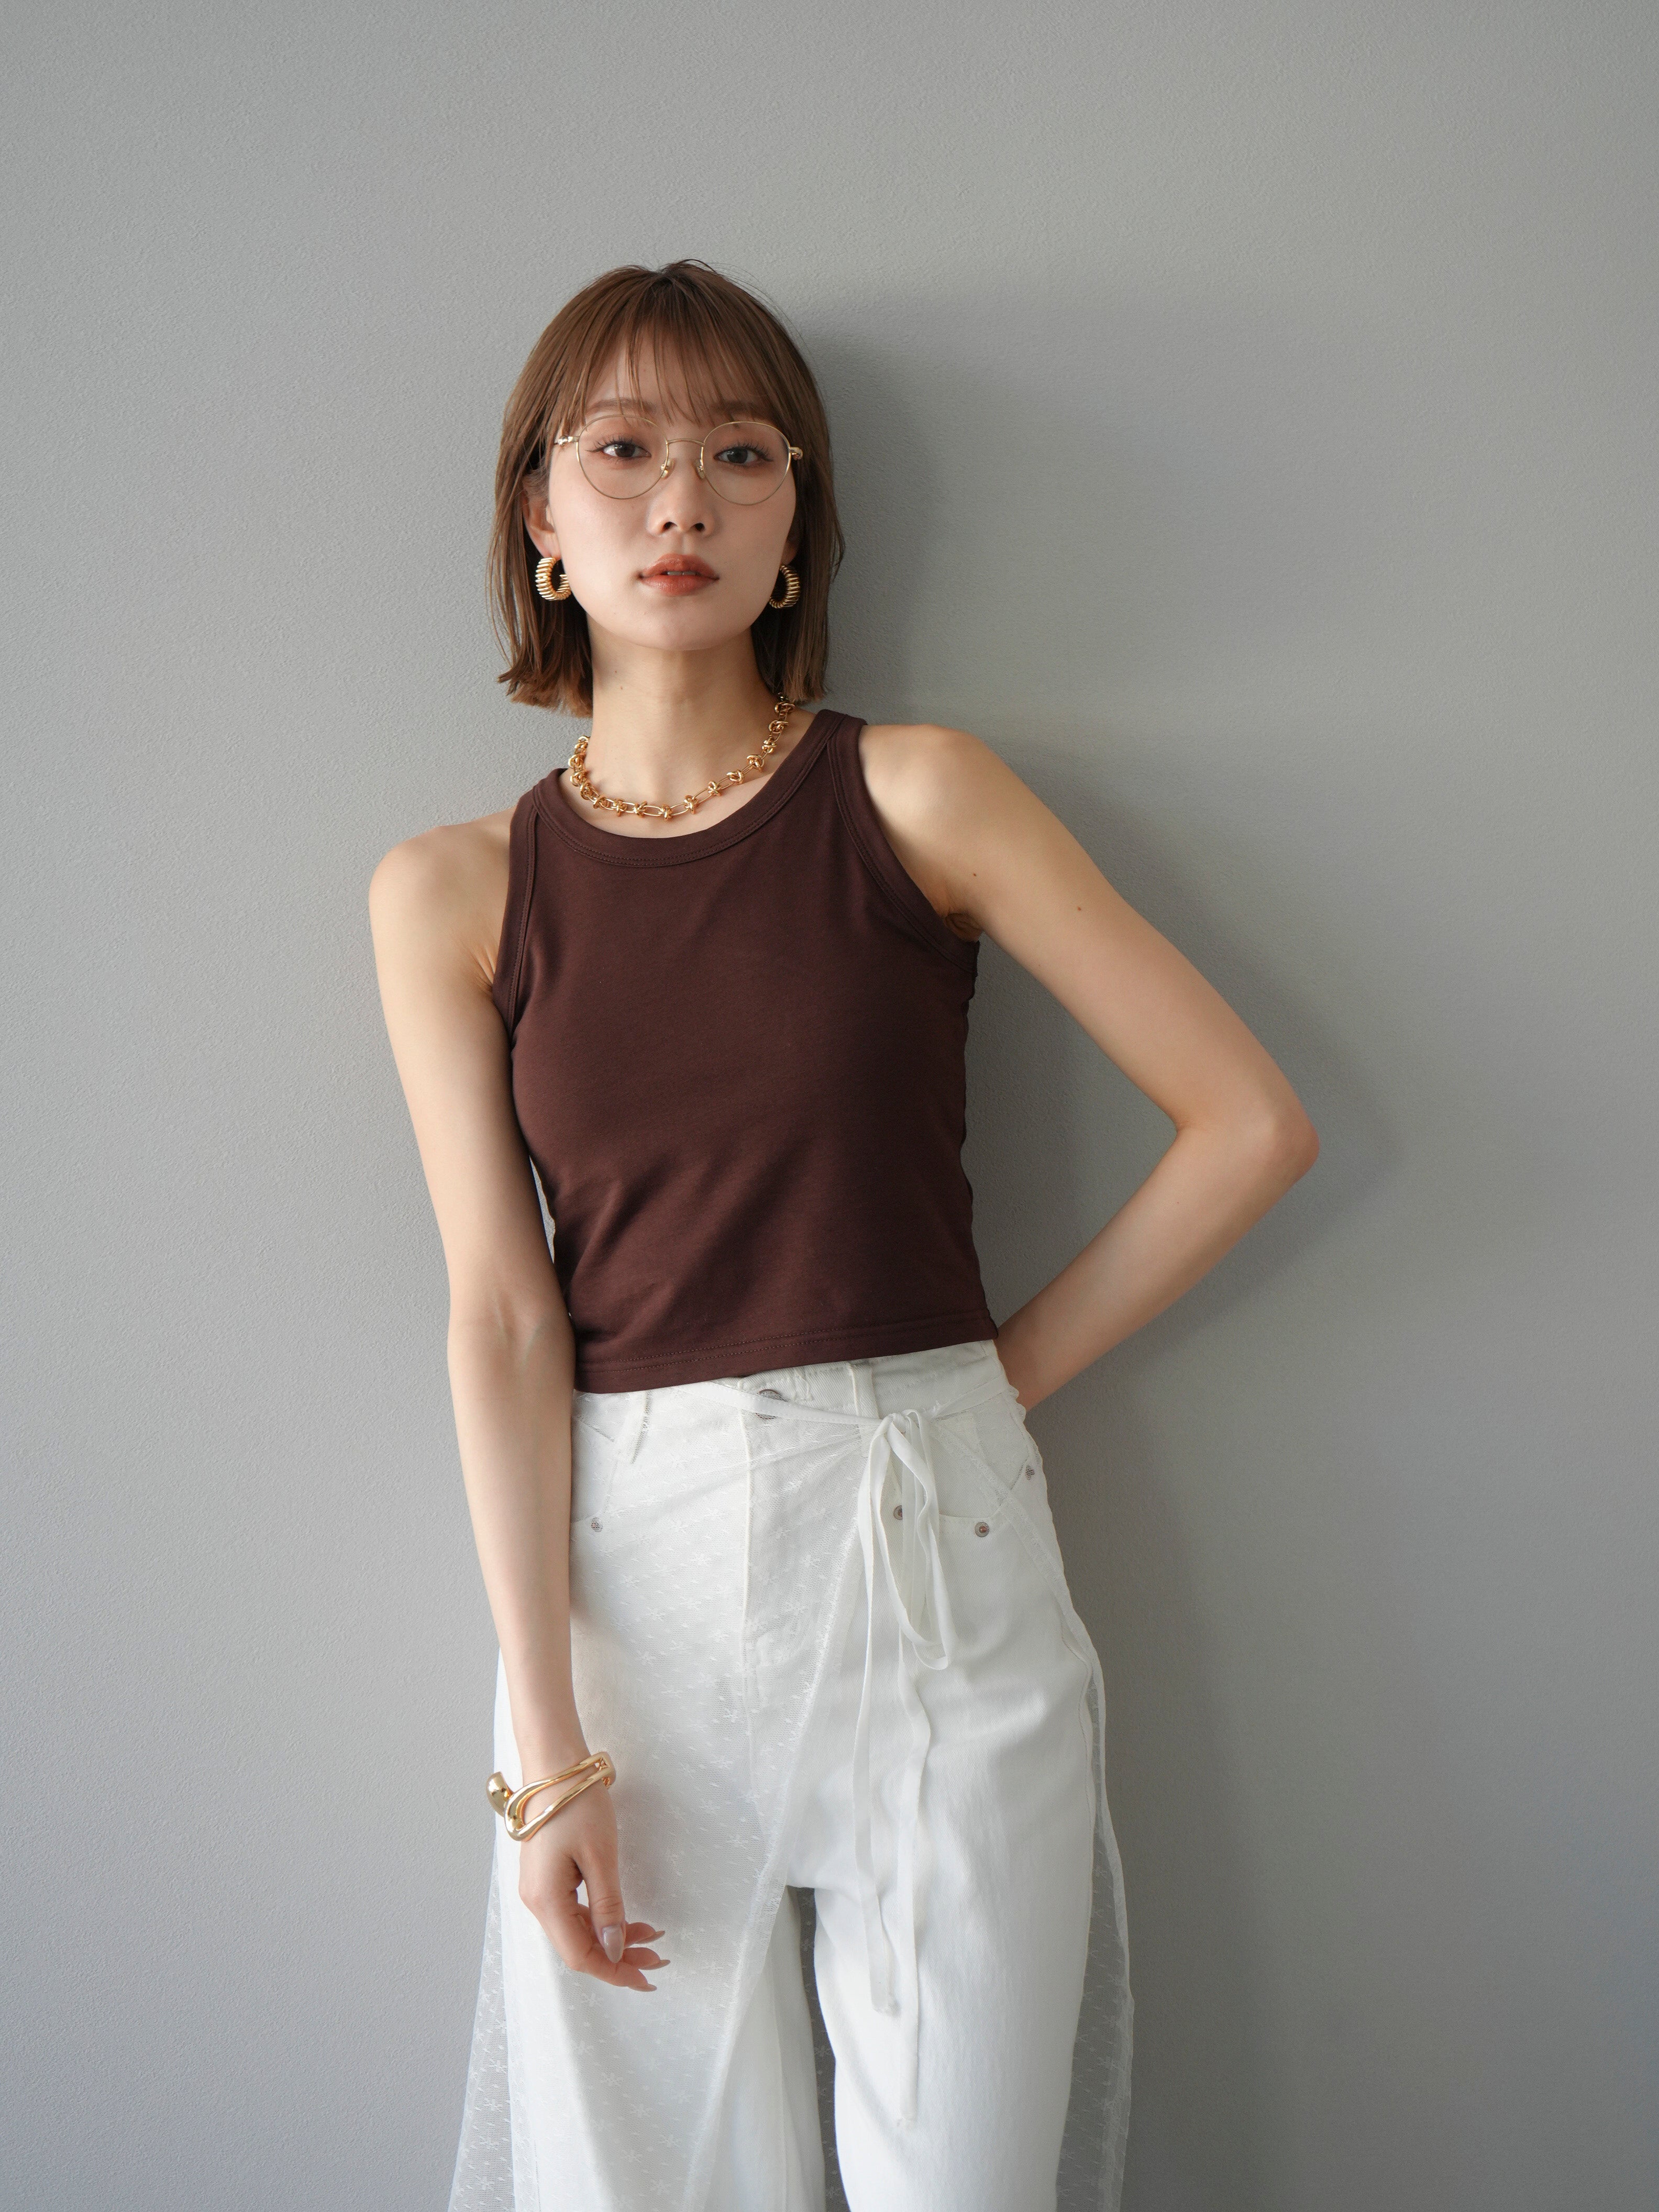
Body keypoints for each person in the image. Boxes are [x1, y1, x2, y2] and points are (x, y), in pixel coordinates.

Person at [370, 260, 1318, 2212]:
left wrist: (983, 1386)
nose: (683, 500)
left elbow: (1249, 1127)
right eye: (622, 452)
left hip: (936, 1577)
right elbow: (502, 1317)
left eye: (742, 454)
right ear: (540, 519)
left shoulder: (917, 794)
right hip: (633, 1610)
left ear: (798, 518)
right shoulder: (455, 890)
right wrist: (546, 1749)